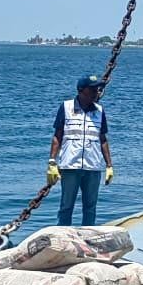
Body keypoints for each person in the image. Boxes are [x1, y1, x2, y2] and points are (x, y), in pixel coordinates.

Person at [48, 74, 114, 227]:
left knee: (90, 207)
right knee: (66, 206)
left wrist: (109, 165)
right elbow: (58, 136)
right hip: (70, 165)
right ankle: (63, 237)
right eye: (92, 90)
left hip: (93, 166)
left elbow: (102, 139)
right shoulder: (66, 107)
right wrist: (52, 162)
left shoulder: (99, 111)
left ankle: (88, 237)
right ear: (81, 90)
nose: (96, 93)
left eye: (97, 90)